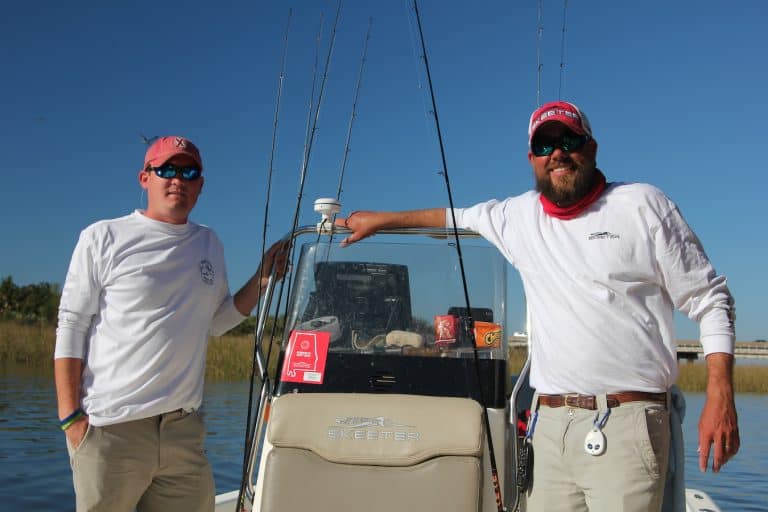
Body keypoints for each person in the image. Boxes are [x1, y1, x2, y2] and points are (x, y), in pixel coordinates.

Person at [334, 101, 739, 511]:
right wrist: (381, 221)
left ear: (591, 148)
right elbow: (451, 218)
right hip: (549, 429)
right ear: (532, 159)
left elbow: (710, 300)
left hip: (626, 425)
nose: (557, 152)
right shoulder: (519, 216)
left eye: (569, 140)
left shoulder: (642, 205)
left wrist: (720, 396)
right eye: (545, 145)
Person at [54, 136, 289, 512]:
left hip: (183, 432)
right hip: (112, 429)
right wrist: (70, 419)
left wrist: (263, 277)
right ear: (144, 177)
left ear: (200, 184)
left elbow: (218, 321)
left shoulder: (209, 243)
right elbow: (71, 326)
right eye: (165, 169)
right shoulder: (103, 236)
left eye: (188, 171)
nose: (177, 178)